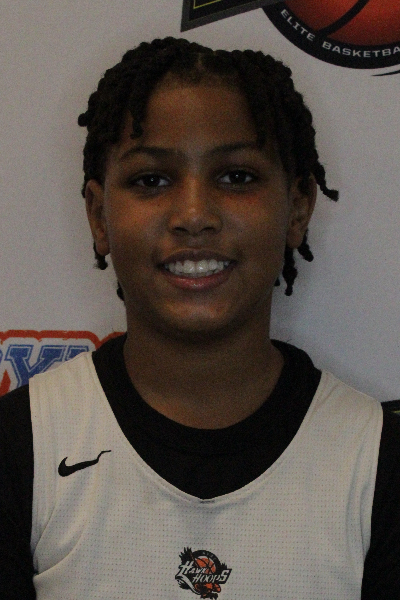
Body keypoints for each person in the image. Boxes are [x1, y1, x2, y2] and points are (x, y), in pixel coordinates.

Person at [1, 37, 399, 600]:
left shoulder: (377, 461)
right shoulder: (21, 447)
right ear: (98, 215)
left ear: (298, 207)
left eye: (236, 177)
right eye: (151, 180)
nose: (193, 215)